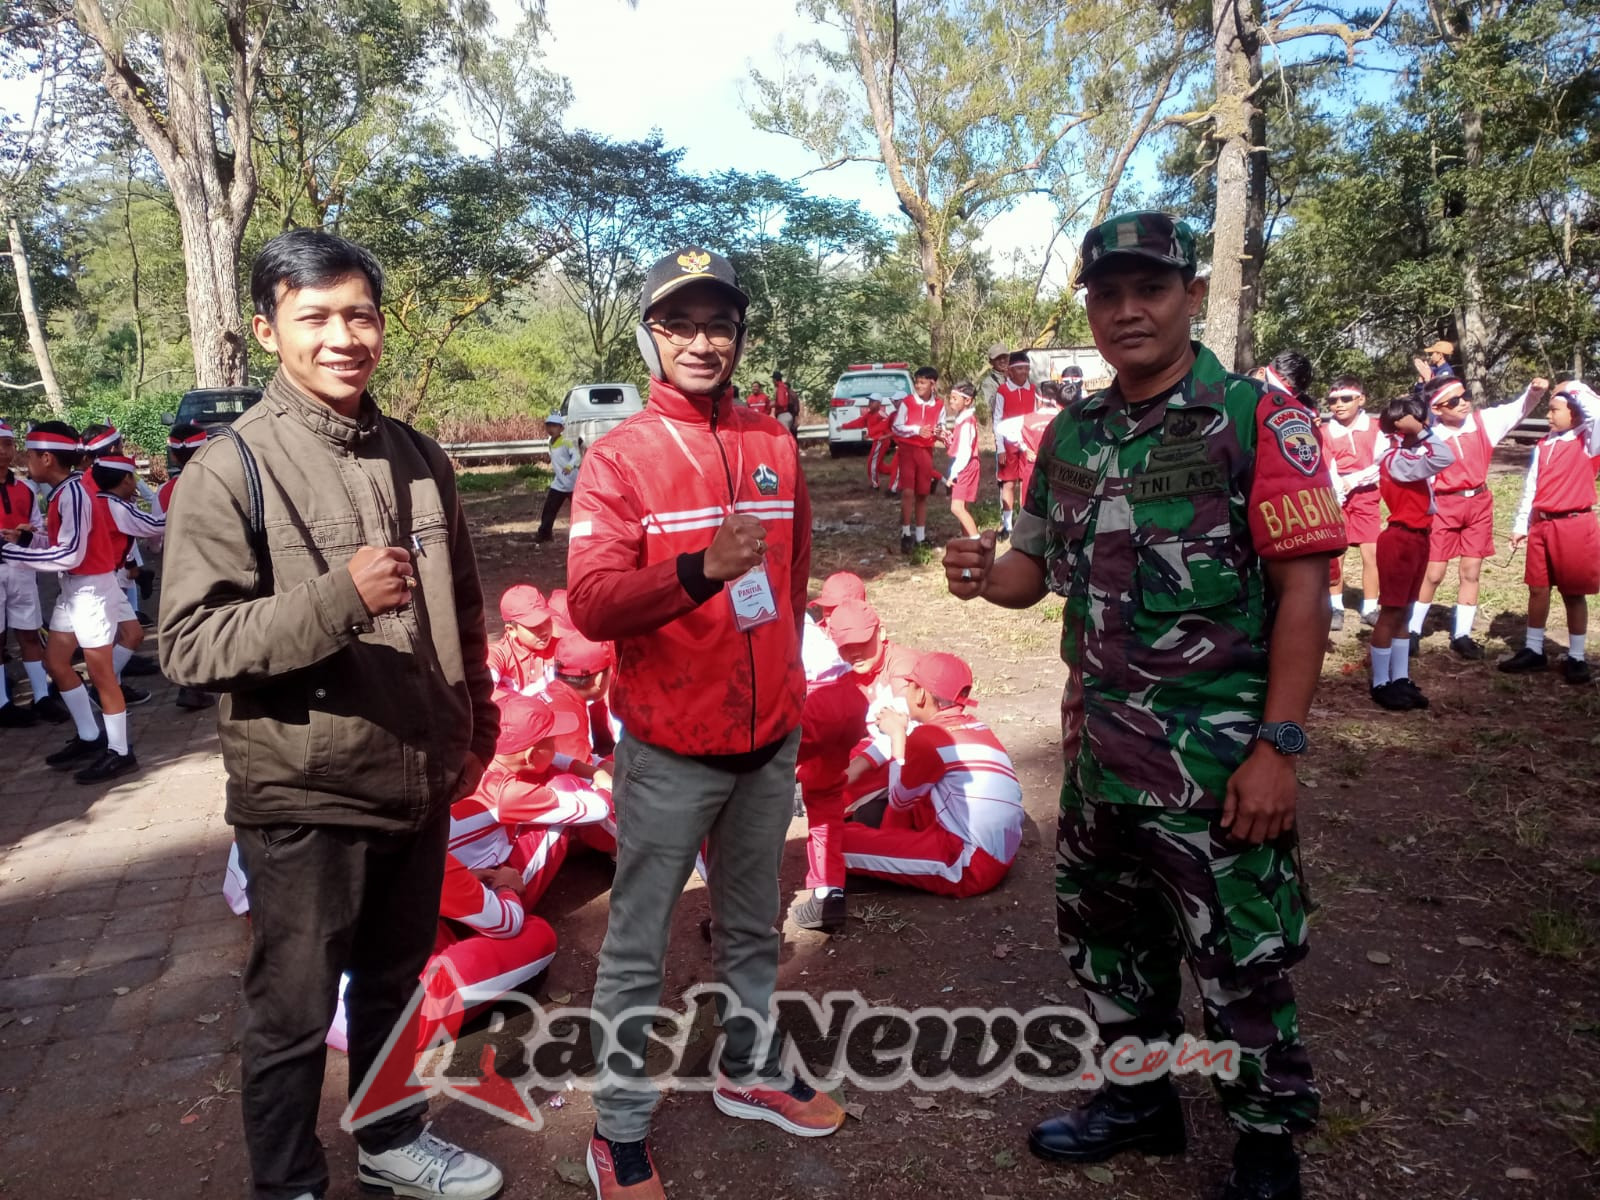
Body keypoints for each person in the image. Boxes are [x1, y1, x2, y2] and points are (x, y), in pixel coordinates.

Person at [944, 211, 1346, 1200]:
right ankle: (1140, 1104)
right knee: (1110, 951)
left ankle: (1264, 1148)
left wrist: (1278, 747)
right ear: (1089, 304)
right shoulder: (1070, 436)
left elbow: (1305, 591)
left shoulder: (1257, 421)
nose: (1126, 310)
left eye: (1149, 290)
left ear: (1189, 297)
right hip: (1097, 759)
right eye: (1107, 293)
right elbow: (1029, 573)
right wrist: (977, 575)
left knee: (1239, 967)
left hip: (1216, 767)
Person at [157, 229, 503, 1200]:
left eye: (359, 314)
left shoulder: (421, 458)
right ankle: (289, 1184)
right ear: (270, 330)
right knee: (293, 1014)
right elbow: (186, 646)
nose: (342, 336)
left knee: (397, 987)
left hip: (420, 775)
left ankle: (391, 1143)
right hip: (305, 793)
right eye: (314, 317)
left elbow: (464, 605)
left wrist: (476, 724)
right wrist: (336, 600)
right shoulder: (230, 473)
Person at [565, 245, 840, 1200]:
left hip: (767, 742)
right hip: (671, 751)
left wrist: (793, 695)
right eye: (679, 322)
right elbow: (592, 606)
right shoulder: (621, 456)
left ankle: (748, 1067)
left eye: (718, 321)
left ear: (740, 333)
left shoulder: (775, 441)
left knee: (755, 923)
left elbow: (795, 578)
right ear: (651, 331)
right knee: (638, 946)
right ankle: (618, 1132)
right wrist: (697, 574)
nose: (701, 339)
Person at [1, 435, 165, 783]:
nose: (24, 460)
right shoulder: (63, 492)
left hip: (90, 588)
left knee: (101, 673)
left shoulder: (73, 493)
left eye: (29, 454)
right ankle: (92, 736)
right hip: (75, 587)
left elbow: (71, 553)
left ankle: (121, 751)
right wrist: (28, 540)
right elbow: (67, 546)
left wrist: (13, 553)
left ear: (47, 459)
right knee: (56, 662)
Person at [840, 652, 1022, 897]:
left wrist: (897, 735)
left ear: (922, 694)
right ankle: (891, 849)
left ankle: (885, 859)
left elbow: (899, 801)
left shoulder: (929, 738)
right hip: (995, 853)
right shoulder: (978, 727)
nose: (906, 693)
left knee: (835, 843)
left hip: (968, 863)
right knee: (913, 792)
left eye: (910, 686)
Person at [1408, 372, 1549, 658]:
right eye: (1454, 401)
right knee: (1433, 572)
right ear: (1437, 409)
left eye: (1465, 396)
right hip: (1445, 506)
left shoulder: (1482, 423)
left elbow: (1517, 409)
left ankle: (1462, 633)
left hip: (1478, 503)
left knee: (1470, 571)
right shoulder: (1430, 435)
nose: (1464, 403)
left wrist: (1534, 392)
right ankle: (1412, 629)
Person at [1500, 381, 1600, 684]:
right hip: (1542, 524)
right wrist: (1521, 525)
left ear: (1575, 413)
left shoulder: (1588, 441)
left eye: (1555, 410)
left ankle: (1577, 656)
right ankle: (1533, 649)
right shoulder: (1544, 445)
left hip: (1573, 524)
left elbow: (1597, 413)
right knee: (1538, 588)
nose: (1548, 416)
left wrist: (1574, 387)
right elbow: (1531, 488)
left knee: (1573, 593)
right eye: (1548, 410)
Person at [1369, 397, 1455, 711]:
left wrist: (1419, 432)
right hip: (1399, 538)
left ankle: (1400, 676)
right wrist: (1421, 431)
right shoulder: (1394, 459)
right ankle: (1380, 682)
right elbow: (1445, 457)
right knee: (1391, 611)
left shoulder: (1406, 454)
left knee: (1405, 610)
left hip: (1418, 537)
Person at [0, 418, 56, 727]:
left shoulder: (24, 489)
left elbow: (35, 525)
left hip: (21, 568)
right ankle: (3, 703)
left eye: (7, 444)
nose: (3, 451)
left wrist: (28, 533)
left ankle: (41, 696)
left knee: (29, 632)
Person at [158, 423, 217, 710]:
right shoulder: (217, 480)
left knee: (189, 622)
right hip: (216, 559)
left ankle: (189, 684)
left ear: (174, 455)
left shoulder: (167, 490)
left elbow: (156, 540)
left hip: (180, 566)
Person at [1321, 377, 1383, 629]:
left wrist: (1353, 481)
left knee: (1372, 553)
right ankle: (1335, 606)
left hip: (1366, 496)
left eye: (1346, 398)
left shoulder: (1376, 428)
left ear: (1361, 399)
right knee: (1336, 555)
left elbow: (1381, 462)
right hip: (1335, 498)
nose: (1339, 405)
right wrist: (1338, 489)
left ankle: (1370, 607)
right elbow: (1326, 466)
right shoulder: (1325, 432)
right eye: (1333, 400)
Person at [890, 366, 944, 553]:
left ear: (933, 384)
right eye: (917, 382)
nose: (918, 386)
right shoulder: (907, 402)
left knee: (923, 493)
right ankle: (905, 533)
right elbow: (897, 427)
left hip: (926, 451)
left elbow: (941, 425)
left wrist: (939, 432)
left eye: (922, 383)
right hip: (908, 450)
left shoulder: (939, 404)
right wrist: (915, 430)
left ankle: (920, 537)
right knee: (907, 492)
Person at [993, 350, 1036, 538]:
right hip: (1009, 443)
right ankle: (1007, 524)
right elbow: (997, 420)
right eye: (1020, 369)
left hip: (1026, 444)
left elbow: (1034, 418)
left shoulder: (1032, 389)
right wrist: (1000, 448)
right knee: (1008, 483)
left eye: (1027, 369)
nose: (1024, 373)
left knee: (1027, 482)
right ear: (1010, 372)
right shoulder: (1002, 391)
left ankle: (1024, 521)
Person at [488, 584, 560, 696]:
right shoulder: (499, 654)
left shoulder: (560, 648)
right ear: (511, 630)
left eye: (546, 621)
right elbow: (481, 691)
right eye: (534, 626)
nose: (544, 631)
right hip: (513, 711)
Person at [535, 413, 581, 543]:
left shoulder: (566, 442)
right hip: (559, 483)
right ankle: (544, 534)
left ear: (561, 429)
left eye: (554, 426)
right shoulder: (550, 442)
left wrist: (569, 466)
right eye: (549, 426)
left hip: (573, 482)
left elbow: (577, 457)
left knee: (580, 509)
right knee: (549, 509)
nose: (551, 429)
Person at [944, 382, 981, 537]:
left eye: (955, 398)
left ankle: (977, 542)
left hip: (966, 466)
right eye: (950, 398)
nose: (951, 401)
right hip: (966, 465)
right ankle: (968, 540)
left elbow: (965, 452)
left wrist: (953, 474)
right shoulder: (962, 419)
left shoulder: (967, 422)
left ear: (967, 401)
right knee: (963, 506)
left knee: (956, 507)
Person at [837, 398, 893, 490]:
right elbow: (858, 422)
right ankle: (897, 472)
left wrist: (870, 434)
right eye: (869, 401)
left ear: (879, 403)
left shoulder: (881, 414)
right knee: (879, 466)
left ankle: (875, 485)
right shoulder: (869, 415)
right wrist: (844, 426)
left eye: (872, 402)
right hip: (878, 441)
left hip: (882, 441)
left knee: (872, 463)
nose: (869, 403)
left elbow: (884, 426)